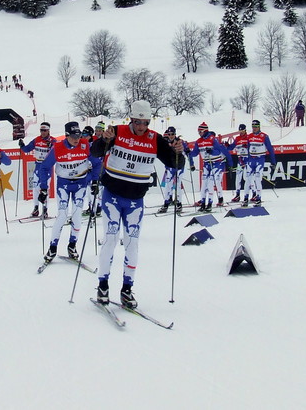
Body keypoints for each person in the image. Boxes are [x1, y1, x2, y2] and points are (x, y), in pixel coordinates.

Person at [90, 100, 185, 308]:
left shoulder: (155, 140)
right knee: (111, 238)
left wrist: (179, 152)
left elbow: (174, 163)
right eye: (137, 122)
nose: (141, 127)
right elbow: (96, 152)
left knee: (132, 243)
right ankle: (103, 284)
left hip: (135, 200)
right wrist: (103, 139)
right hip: (112, 196)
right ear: (131, 119)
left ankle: (127, 289)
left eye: (145, 123)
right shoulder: (117, 131)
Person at [40, 122, 100, 264]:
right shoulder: (58, 147)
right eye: (73, 136)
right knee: (62, 214)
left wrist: (95, 181)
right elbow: (44, 167)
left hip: (80, 184)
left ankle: (72, 246)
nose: (76, 139)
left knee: (77, 214)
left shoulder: (85, 145)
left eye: (78, 135)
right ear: (67, 135)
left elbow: (97, 163)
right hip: (64, 184)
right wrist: (43, 188)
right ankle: (52, 248)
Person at [189, 122, 233, 212]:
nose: (199, 133)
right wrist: (187, 151)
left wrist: (211, 151)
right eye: (198, 131)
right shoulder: (199, 141)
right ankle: (203, 204)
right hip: (206, 164)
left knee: (211, 183)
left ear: (205, 130)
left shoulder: (213, 139)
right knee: (204, 184)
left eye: (200, 131)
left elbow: (218, 151)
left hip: (216, 163)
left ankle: (210, 203)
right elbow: (195, 153)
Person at [19, 122, 57, 218]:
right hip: (38, 166)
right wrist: (22, 145)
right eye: (41, 130)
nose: (43, 132)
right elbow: (27, 149)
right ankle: (36, 208)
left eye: (44, 130)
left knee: (45, 189)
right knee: (35, 188)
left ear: (48, 130)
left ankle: (45, 210)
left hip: (47, 167)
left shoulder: (52, 140)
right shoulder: (37, 140)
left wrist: (51, 146)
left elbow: (57, 150)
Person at [157, 126, 193, 214]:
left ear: (175, 134)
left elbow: (188, 153)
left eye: (172, 134)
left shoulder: (180, 142)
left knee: (177, 184)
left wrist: (191, 164)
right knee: (168, 184)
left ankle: (179, 204)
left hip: (179, 166)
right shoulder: (166, 142)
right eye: (169, 134)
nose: (171, 136)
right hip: (170, 166)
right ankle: (166, 203)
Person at [246, 120, 276, 206]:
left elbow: (270, 149)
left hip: (260, 159)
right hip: (251, 159)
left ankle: (259, 198)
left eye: (256, 127)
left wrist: (273, 162)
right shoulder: (249, 136)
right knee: (248, 179)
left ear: (259, 127)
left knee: (258, 178)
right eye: (253, 127)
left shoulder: (264, 136)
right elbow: (248, 148)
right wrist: (247, 159)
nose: (254, 129)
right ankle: (246, 197)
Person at [226, 124, 251, 204]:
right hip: (240, 160)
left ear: (245, 130)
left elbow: (252, 148)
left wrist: (246, 146)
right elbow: (232, 147)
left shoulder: (248, 137)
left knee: (247, 178)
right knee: (238, 178)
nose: (241, 132)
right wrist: (227, 145)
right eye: (240, 130)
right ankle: (237, 195)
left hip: (247, 160)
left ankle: (253, 194)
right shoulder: (237, 138)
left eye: (242, 130)